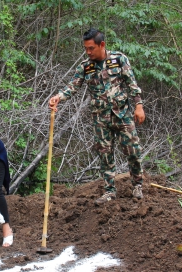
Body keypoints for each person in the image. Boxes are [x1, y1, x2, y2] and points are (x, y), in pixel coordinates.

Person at [49, 28, 146, 205]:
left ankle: (137, 186)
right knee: (105, 155)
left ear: (102, 45)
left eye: (91, 48)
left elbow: (132, 84)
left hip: (122, 115)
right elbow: (73, 86)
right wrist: (59, 97)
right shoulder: (86, 67)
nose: (88, 52)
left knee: (133, 151)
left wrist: (138, 105)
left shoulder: (118, 60)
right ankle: (109, 191)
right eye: (86, 48)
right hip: (101, 119)